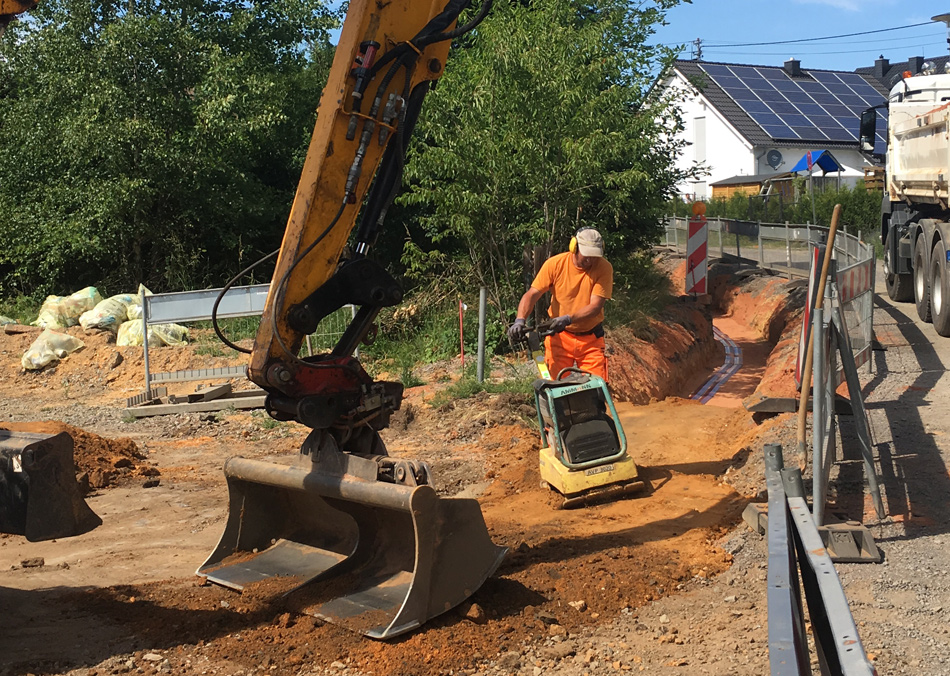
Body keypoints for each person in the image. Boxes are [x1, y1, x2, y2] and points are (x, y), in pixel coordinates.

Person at [508, 228, 613, 380]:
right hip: (559, 338)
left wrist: (568, 319)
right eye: (587, 255)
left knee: (596, 389)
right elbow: (532, 294)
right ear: (574, 247)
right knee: (554, 386)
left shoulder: (604, 267)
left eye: (594, 256)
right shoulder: (555, 264)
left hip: (591, 340)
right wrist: (520, 320)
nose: (590, 260)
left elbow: (595, 307)